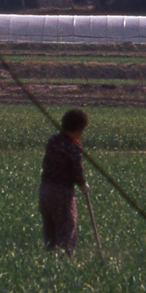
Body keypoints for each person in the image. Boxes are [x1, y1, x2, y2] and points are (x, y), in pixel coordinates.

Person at [39, 108, 88, 253]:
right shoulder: (73, 147)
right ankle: (64, 261)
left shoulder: (53, 141)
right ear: (78, 129)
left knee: (49, 231)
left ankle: (49, 259)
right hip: (62, 193)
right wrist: (83, 184)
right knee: (66, 230)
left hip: (44, 191)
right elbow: (77, 171)